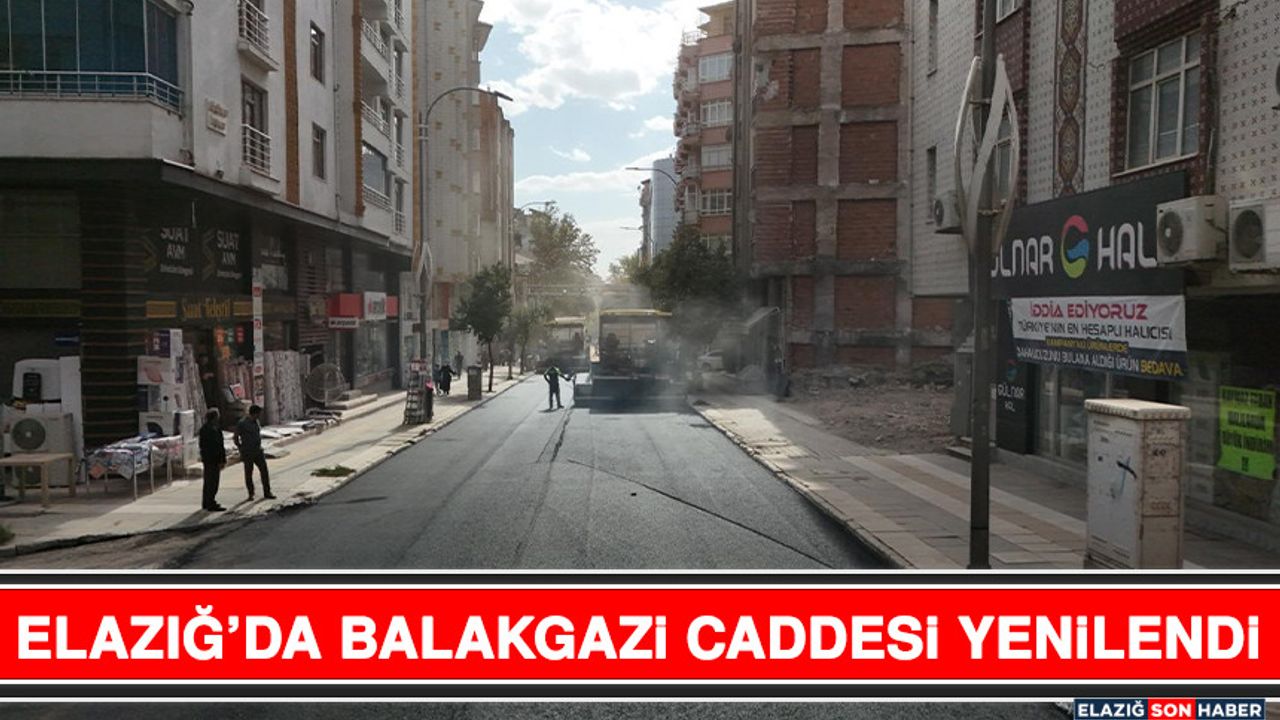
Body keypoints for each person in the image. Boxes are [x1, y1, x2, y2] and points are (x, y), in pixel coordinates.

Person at [233, 405, 275, 501]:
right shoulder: (242, 423)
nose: (259, 416)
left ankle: (267, 492)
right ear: (254, 413)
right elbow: (235, 437)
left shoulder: (256, 422)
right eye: (258, 414)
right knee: (249, 473)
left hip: (258, 450)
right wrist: (241, 448)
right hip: (248, 452)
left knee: (264, 471)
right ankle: (251, 493)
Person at [198, 409, 227, 512]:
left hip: (212, 459)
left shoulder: (214, 428)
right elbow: (212, 446)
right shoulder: (207, 430)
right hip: (211, 459)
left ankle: (207, 501)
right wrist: (219, 459)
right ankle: (210, 502)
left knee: (209, 481)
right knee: (212, 482)